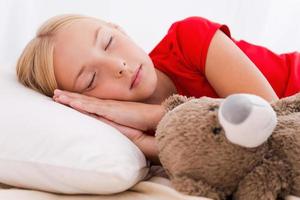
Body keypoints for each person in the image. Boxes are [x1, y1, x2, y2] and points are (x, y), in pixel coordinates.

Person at [16, 14, 300, 165]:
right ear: (82, 102)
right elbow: (233, 157)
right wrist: (142, 144)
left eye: (108, 42)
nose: (120, 66)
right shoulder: (119, 135)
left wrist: (152, 116)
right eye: (90, 79)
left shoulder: (189, 38)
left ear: (119, 29)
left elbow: (274, 126)